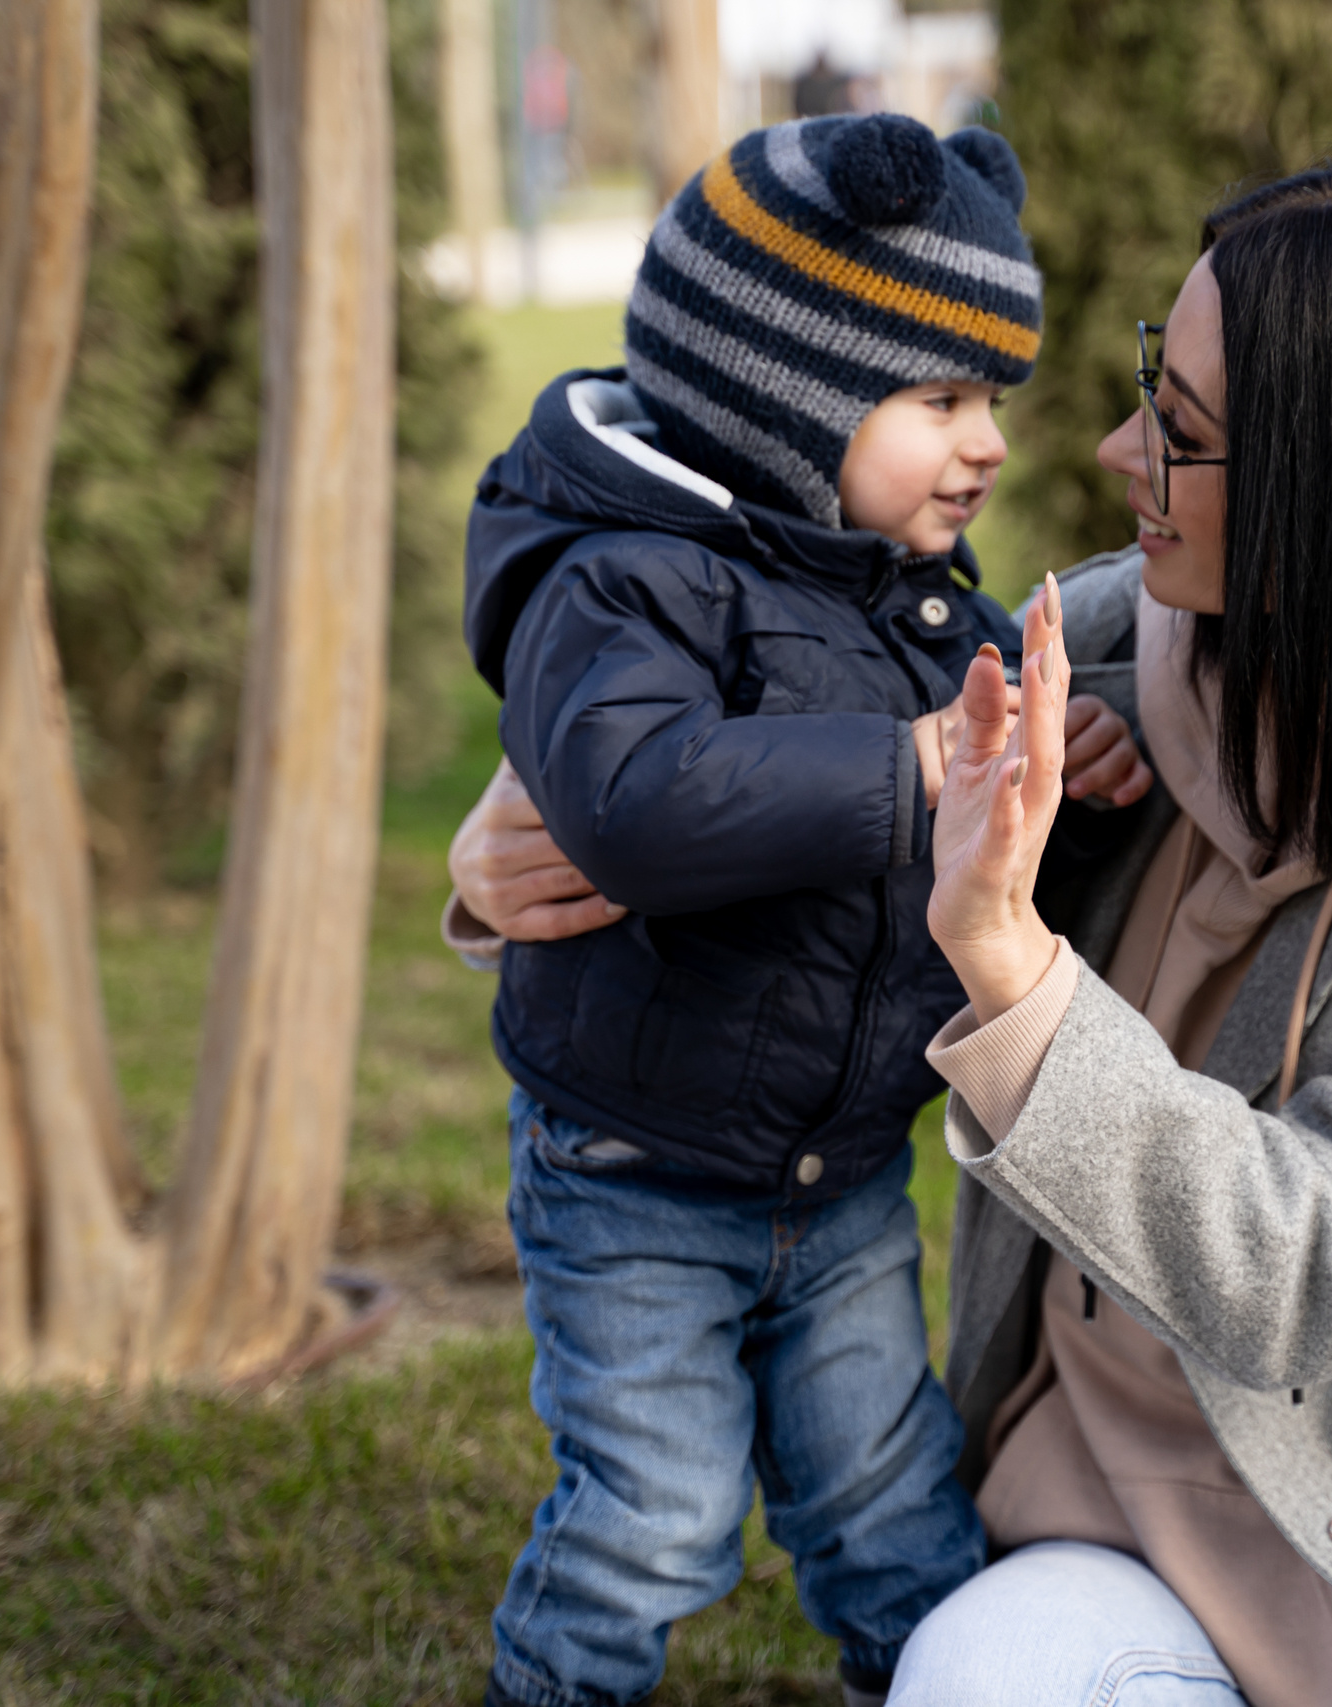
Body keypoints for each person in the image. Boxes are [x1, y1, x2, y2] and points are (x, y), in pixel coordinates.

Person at [455, 148, 1332, 1706]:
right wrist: (511, 857)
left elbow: (1316, 1276)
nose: (1122, 447)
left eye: (1183, 433)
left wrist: (1013, 968)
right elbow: (756, 776)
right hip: (1105, 1495)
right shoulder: (1108, 650)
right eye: (1153, 383)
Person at [457, 111, 1150, 1707]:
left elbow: (964, 813)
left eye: (991, 401)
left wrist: (1066, 765)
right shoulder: (622, 579)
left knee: (890, 1505)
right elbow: (641, 802)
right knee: (658, 1516)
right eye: (939, 399)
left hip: (837, 1183)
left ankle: (928, 1678)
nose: (984, 443)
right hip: (635, 1175)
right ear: (784, 394)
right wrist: (917, 764)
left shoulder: (911, 599)